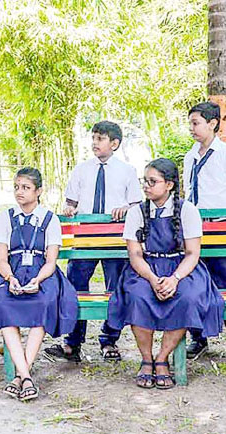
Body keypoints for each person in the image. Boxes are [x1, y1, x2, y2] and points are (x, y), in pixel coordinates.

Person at [106, 159, 225, 389]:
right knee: (137, 296)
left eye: (153, 182)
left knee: (187, 297)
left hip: (181, 268)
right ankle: (146, 359)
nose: (146, 186)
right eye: (145, 181)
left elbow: (192, 254)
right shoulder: (137, 212)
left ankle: (162, 358)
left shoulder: (187, 210)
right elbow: (135, 255)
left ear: (169, 185)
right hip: (146, 268)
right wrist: (152, 279)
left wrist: (174, 279)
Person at [0, 168, 78, 401]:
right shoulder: (6, 217)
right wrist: (10, 278)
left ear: (38, 191)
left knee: (43, 302)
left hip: (41, 272)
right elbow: (2, 260)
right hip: (12, 271)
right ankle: (26, 377)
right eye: (16, 187)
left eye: (26, 187)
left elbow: (51, 262)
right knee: (3, 303)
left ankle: (19, 377)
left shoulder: (49, 219)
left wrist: (38, 280)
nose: (19, 192)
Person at [46, 121, 142, 363]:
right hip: (86, 235)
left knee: (115, 288)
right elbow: (71, 202)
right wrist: (69, 209)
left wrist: (126, 208)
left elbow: (136, 204)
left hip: (115, 236)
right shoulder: (81, 170)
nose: (95, 143)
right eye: (93, 138)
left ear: (115, 144)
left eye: (100, 139)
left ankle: (109, 340)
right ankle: (72, 342)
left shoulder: (127, 171)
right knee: (75, 286)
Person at [183, 101, 226, 361]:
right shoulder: (190, 156)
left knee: (225, 280)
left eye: (196, 123)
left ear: (212, 124)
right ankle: (198, 338)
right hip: (194, 228)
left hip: (221, 226)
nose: (192, 128)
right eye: (190, 123)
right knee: (193, 280)